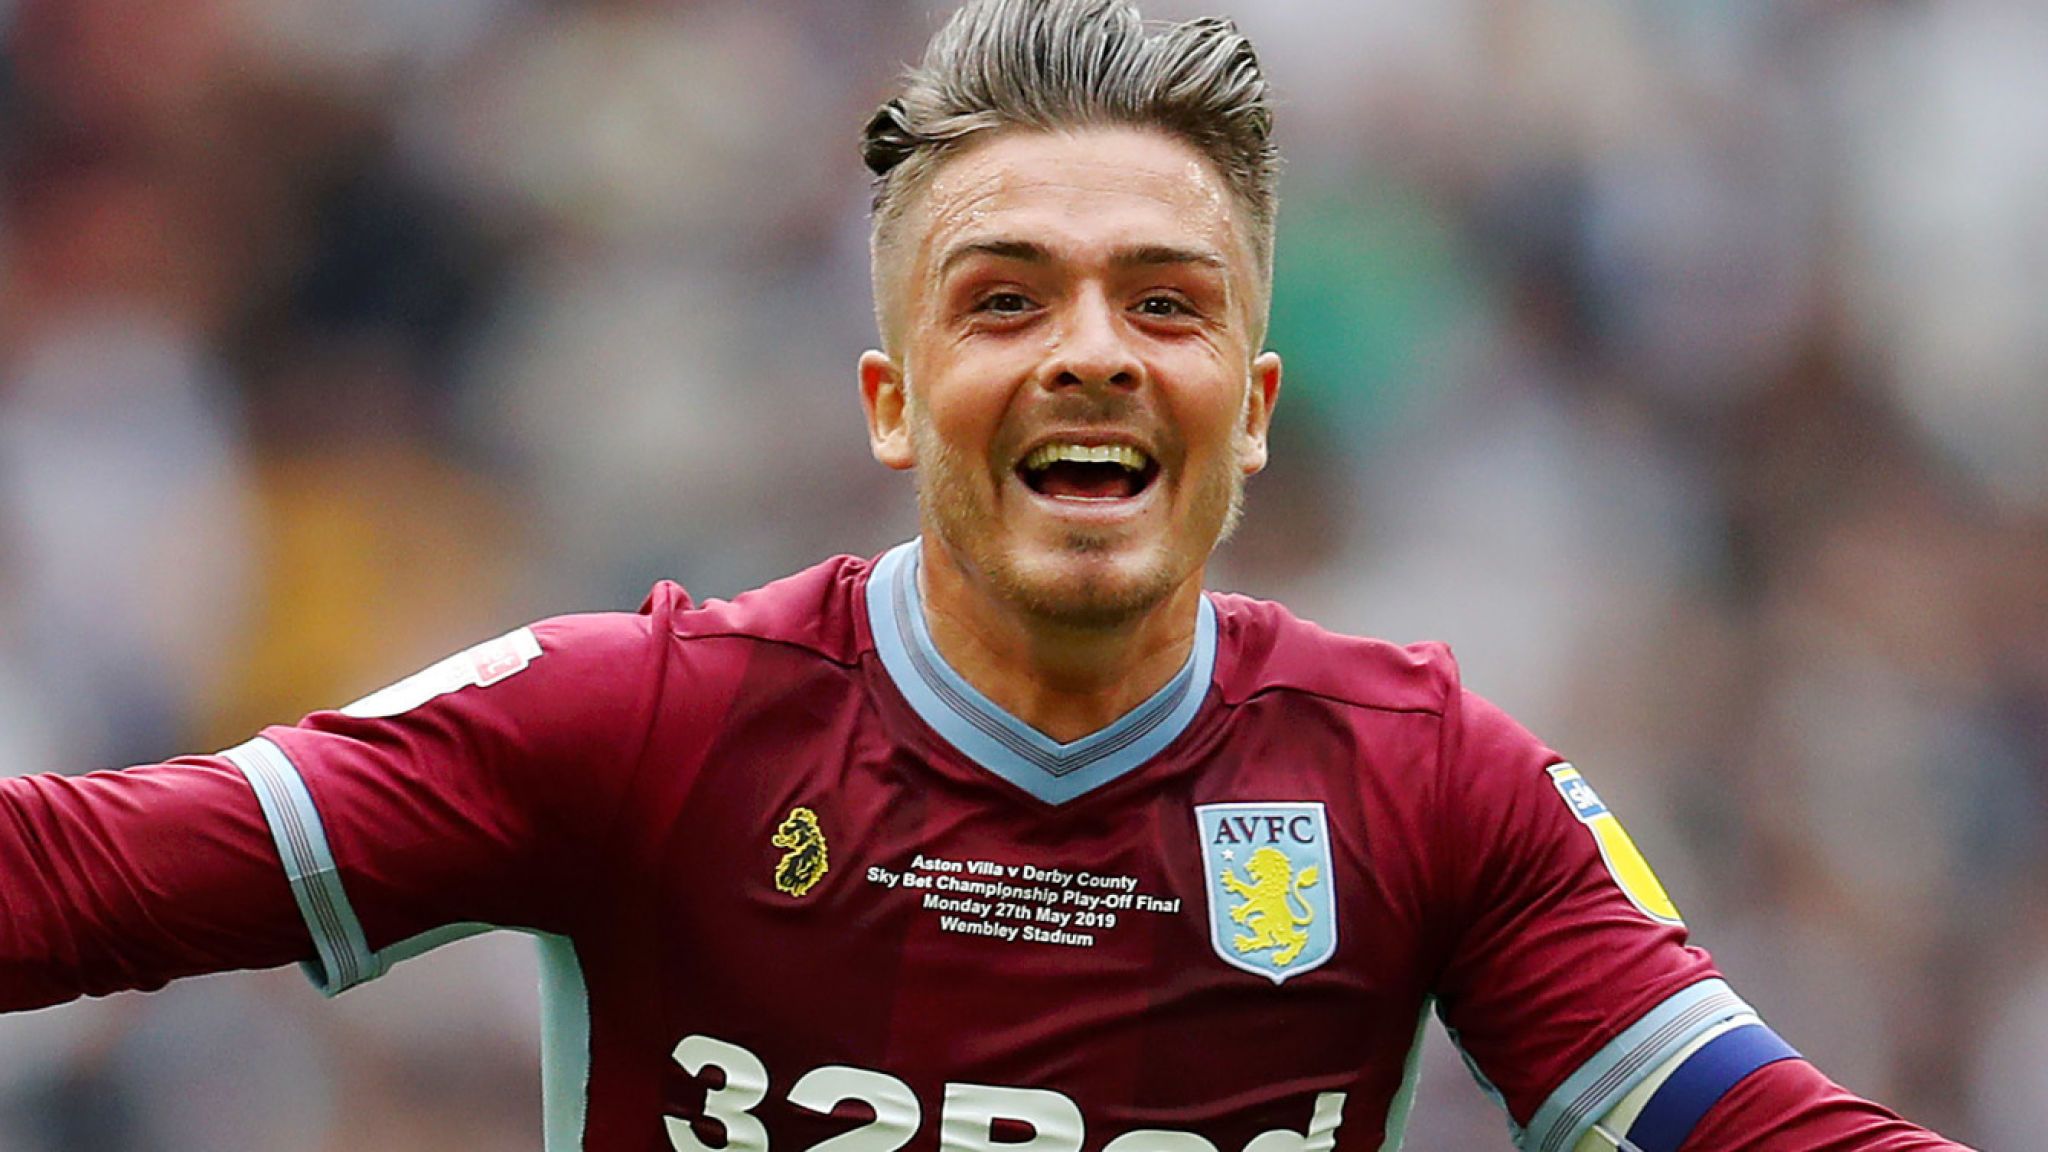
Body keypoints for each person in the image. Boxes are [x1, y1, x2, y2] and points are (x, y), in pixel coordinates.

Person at [0, 2, 1975, 1149]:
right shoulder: (644, 722)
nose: (1092, 353)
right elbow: (74, 880)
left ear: (1253, 407)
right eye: (1007, 298)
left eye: (1165, 302)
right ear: (891, 399)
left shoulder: (1429, 783)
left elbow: (1757, 1129)